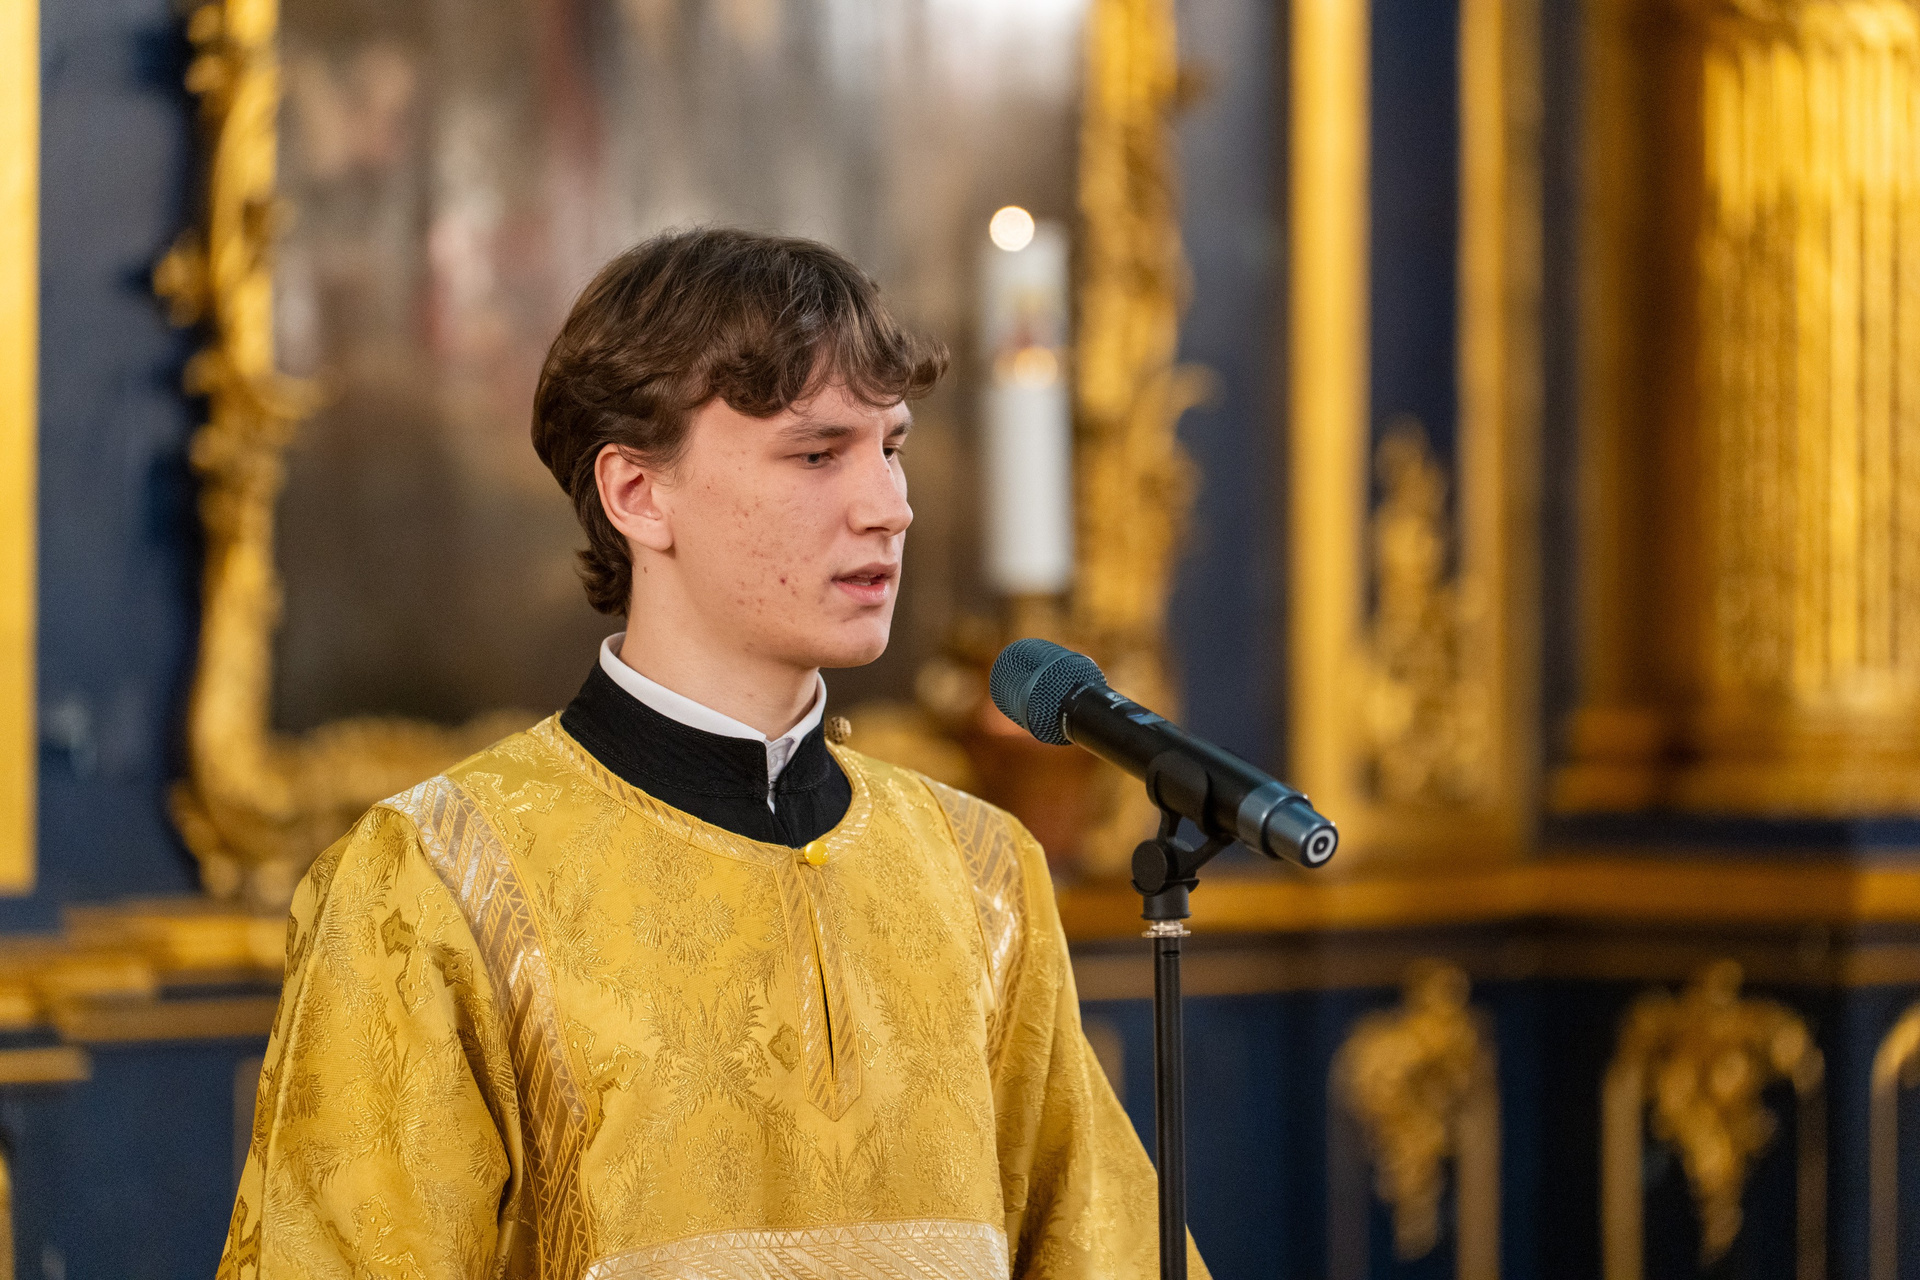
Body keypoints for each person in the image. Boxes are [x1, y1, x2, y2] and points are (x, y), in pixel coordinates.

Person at [218, 228, 1205, 1280]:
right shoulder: (432, 883)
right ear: (638, 493)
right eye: (817, 453)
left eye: (892, 446)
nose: (890, 506)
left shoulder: (983, 874)